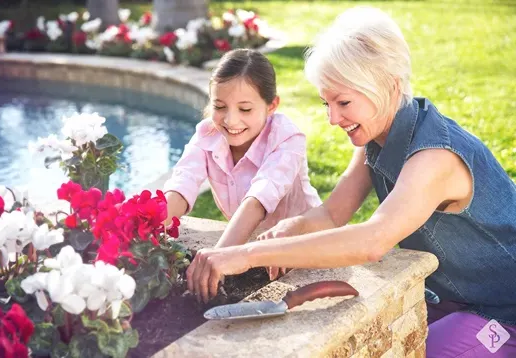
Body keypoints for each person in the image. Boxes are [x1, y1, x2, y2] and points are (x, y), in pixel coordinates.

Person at [185, 6, 516, 357]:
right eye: (326, 102)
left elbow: (372, 240)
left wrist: (246, 254)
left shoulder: (436, 156)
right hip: (450, 299)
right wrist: (290, 229)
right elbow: (331, 215)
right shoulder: (379, 138)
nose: (332, 118)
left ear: (389, 86)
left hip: (503, 310)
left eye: (343, 102)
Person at [163, 48, 321, 251]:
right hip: (251, 240)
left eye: (245, 109)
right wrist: (150, 231)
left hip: (303, 242)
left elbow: (259, 199)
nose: (231, 120)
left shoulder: (287, 139)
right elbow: (182, 183)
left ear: (272, 105)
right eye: (219, 107)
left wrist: (219, 256)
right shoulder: (208, 133)